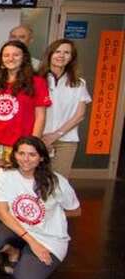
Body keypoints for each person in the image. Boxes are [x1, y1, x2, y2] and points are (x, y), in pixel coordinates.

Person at [0, 136, 81, 279]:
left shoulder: (56, 181)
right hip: (17, 228)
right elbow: (1, 211)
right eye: (21, 153)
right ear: (15, 155)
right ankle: (15, 251)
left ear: (41, 158)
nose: (25, 159)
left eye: (32, 155)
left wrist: (50, 216)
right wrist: (32, 242)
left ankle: (30, 261)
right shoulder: (4, 174)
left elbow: (76, 210)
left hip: (47, 237)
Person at [0, 40, 51, 167]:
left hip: (21, 144)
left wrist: (33, 144)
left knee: (17, 181)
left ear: (24, 58)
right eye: (6, 55)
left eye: (16, 55)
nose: (10, 58)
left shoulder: (37, 82)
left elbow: (40, 116)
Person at [38, 39, 91, 178]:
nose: (61, 55)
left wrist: (56, 135)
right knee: (35, 180)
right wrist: (40, 137)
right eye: (58, 51)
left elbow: (80, 115)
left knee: (59, 182)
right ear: (50, 54)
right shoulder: (37, 79)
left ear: (72, 57)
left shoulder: (79, 83)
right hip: (39, 137)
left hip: (66, 140)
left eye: (67, 52)